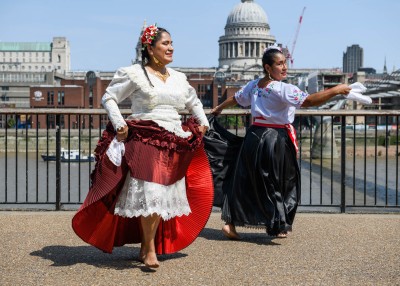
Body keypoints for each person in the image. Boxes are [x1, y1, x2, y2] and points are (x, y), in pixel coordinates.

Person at [72, 24, 213, 269]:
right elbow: (109, 97)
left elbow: (194, 102)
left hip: (174, 139)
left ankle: (146, 246)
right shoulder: (134, 73)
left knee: (162, 195)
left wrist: (203, 123)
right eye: (165, 43)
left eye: (171, 43)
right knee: (151, 193)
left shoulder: (178, 78)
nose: (171, 47)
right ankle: (149, 250)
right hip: (145, 136)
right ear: (150, 47)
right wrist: (119, 125)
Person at [210, 46, 351, 239]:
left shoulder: (254, 85)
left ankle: (231, 223)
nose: (285, 67)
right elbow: (309, 101)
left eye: (285, 63)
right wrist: (337, 89)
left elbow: (236, 98)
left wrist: (218, 108)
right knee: (283, 181)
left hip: (254, 136)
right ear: (268, 67)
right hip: (274, 138)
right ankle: (278, 225)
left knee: (248, 181)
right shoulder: (281, 88)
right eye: (280, 64)